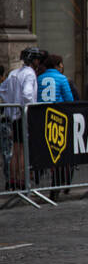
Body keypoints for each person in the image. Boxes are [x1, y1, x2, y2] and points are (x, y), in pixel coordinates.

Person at [1, 47, 43, 189]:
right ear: (33, 60)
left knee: (16, 149)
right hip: (24, 115)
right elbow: (27, 94)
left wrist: (10, 106)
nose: (39, 62)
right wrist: (29, 109)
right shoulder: (30, 74)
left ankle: (13, 179)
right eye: (37, 59)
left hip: (14, 115)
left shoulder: (13, 73)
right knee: (23, 150)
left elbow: (3, 89)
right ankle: (21, 180)